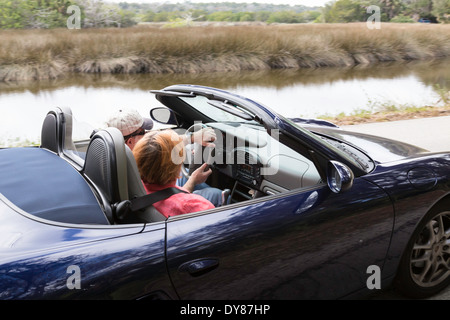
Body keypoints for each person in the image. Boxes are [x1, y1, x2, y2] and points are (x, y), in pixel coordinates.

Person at [105, 108, 228, 207]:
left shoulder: (115, 157)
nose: (148, 135)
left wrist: (191, 138)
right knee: (215, 194)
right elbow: (164, 200)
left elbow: (160, 145)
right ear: (130, 142)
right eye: (143, 132)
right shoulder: (133, 171)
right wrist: (193, 181)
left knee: (186, 176)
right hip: (163, 202)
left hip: (155, 195)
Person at [133, 130, 215, 217]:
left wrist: (193, 180)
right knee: (215, 193)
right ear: (175, 167)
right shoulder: (196, 206)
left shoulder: (131, 185)